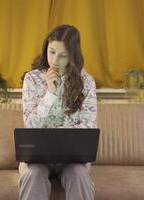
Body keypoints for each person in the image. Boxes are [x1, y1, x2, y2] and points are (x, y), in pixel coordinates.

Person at [19, 24, 97, 200]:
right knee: (33, 175)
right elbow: (30, 126)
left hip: (73, 159)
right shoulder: (32, 79)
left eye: (62, 55)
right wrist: (50, 93)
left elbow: (89, 127)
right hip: (37, 159)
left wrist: (60, 135)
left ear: (72, 56)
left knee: (79, 174)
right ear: (46, 47)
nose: (54, 60)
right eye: (51, 51)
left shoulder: (86, 81)